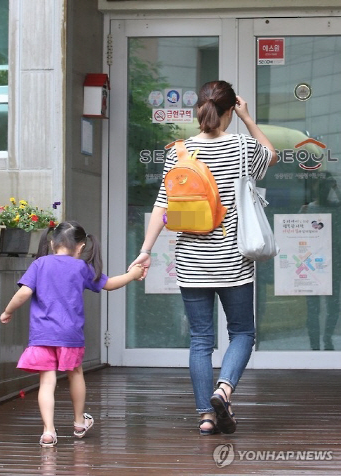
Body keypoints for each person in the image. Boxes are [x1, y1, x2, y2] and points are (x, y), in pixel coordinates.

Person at [128, 80, 277, 435]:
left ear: (199, 109)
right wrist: (249, 119)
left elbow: (161, 206)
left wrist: (145, 251)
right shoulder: (242, 147)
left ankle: (206, 418)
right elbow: (270, 154)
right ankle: (223, 390)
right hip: (233, 260)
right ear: (229, 111)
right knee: (242, 332)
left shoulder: (178, 152)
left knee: (200, 339)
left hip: (191, 261)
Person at [0, 221, 144, 447]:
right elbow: (110, 284)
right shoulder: (81, 267)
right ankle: (78, 422)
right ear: (80, 246)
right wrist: (133, 275)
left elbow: (24, 292)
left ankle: (48, 431)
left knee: (47, 382)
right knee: (75, 374)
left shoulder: (40, 264)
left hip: (42, 335)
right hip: (70, 334)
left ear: (51, 243)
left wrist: (7, 311)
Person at [299, 173, 341, 350]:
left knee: (327, 307)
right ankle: (318, 342)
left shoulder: (336, 208)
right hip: (314, 264)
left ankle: (323, 340)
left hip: (332, 263)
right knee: (317, 308)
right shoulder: (307, 209)